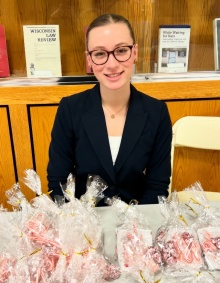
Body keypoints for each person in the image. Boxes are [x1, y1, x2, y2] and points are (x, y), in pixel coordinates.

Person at [47, 13, 172, 205]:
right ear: (89, 59)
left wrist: (137, 229)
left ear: (135, 52)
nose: (112, 64)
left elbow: (157, 186)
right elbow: (58, 183)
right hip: (84, 224)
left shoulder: (157, 112)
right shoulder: (70, 109)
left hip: (137, 221)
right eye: (99, 53)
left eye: (121, 51)